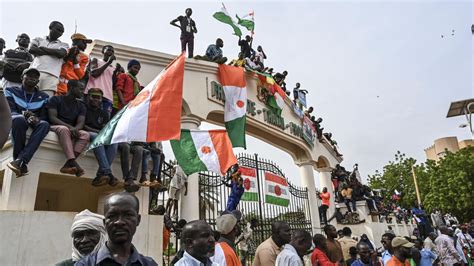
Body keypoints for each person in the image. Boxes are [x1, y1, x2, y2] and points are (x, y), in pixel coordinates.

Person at [76, 192, 157, 266]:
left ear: (138, 220)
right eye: (112, 216)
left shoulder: (149, 264)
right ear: (104, 223)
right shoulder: (85, 264)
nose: (119, 222)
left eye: (128, 215)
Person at [5, 68, 49, 177]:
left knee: (44, 124)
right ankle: (21, 162)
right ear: (22, 77)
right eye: (29, 75)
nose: (32, 78)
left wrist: (36, 118)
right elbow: (10, 110)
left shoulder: (44, 96)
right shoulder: (10, 90)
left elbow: (44, 116)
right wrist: (24, 115)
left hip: (34, 121)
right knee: (19, 120)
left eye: (35, 77)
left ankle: (19, 161)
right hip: (17, 117)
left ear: (38, 81)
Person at [48, 80, 89, 176]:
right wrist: (70, 127)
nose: (82, 92)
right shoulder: (55, 99)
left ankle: (68, 164)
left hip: (71, 129)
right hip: (54, 126)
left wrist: (75, 129)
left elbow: (81, 122)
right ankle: (72, 161)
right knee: (64, 129)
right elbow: (52, 118)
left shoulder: (81, 105)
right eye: (80, 89)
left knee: (85, 134)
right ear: (71, 88)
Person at [83, 88, 119, 187]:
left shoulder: (103, 113)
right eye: (93, 96)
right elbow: (83, 125)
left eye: (98, 97)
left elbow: (105, 129)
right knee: (96, 137)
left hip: (98, 134)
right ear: (88, 97)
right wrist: (99, 134)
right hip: (86, 132)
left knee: (113, 141)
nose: (96, 99)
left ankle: (101, 174)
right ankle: (108, 173)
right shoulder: (83, 108)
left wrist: (103, 134)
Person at [29, 21, 69, 92]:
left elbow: (61, 54)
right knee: (29, 96)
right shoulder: (38, 39)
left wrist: (42, 49)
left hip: (52, 76)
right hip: (34, 72)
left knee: (47, 100)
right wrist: (54, 52)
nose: (60, 33)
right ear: (50, 28)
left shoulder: (64, 45)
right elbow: (32, 49)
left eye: (62, 32)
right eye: (58, 30)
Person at [85, 45, 120, 115]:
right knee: (89, 117)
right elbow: (94, 73)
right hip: (94, 94)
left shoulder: (113, 68)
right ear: (102, 51)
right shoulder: (95, 60)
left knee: (103, 121)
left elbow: (113, 85)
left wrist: (116, 72)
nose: (111, 52)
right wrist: (108, 62)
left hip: (107, 97)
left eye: (112, 52)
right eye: (109, 50)